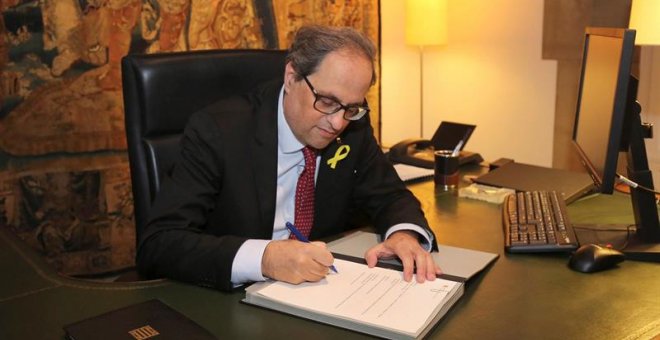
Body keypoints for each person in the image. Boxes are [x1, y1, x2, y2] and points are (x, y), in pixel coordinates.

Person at [136, 25, 441, 291]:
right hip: (228, 300)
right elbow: (159, 244)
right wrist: (265, 258)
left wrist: (403, 234)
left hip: (318, 292)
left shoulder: (353, 126)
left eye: (351, 108)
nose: (337, 123)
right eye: (327, 102)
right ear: (292, 75)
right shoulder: (217, 131)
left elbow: (388, 194)